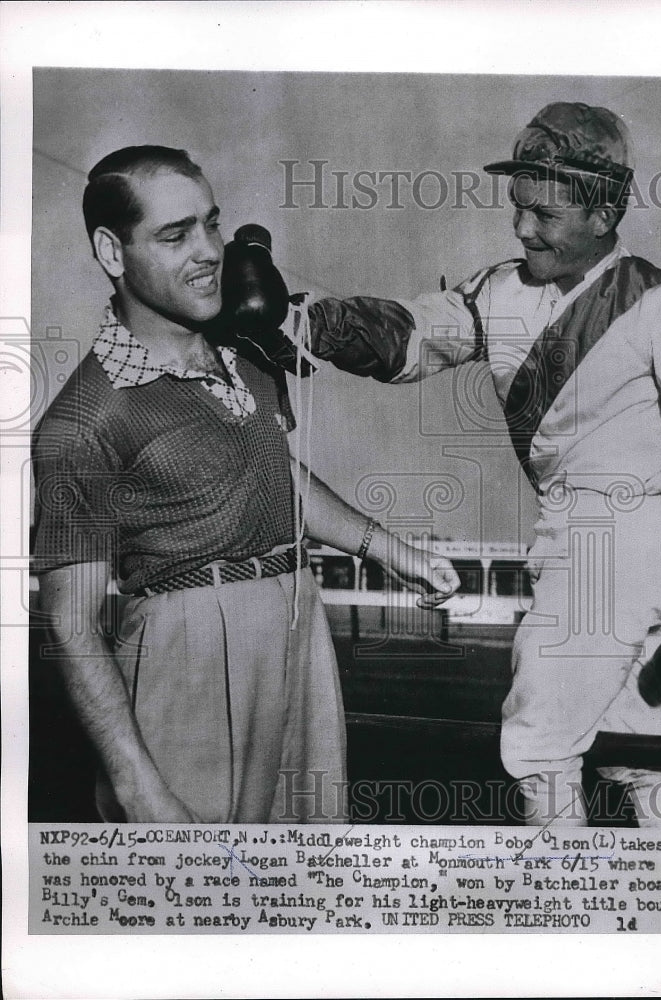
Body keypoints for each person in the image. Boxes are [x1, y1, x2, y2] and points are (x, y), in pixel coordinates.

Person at [289, 103, 661, 827]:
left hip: (616, 541)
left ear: (604, 211)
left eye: (544, 214)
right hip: (572, 536)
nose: (523, 228)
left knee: (536, 743)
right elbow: (412, 336)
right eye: (517, 209)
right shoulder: (499, 290)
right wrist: (308, 323)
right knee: (631, 740)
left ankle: (562, 913)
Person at [32, 145, 459, 825]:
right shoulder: (85, 418)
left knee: (307, 883)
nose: (208, 251)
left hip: (296, 630)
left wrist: (391, 549)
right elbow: (72, 621)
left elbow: (272, 472)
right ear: (113, 253)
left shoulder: (249, 350)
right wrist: (139, 789)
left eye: (211, 224)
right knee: (196, 904)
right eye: (175, 235)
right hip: (186, 649)